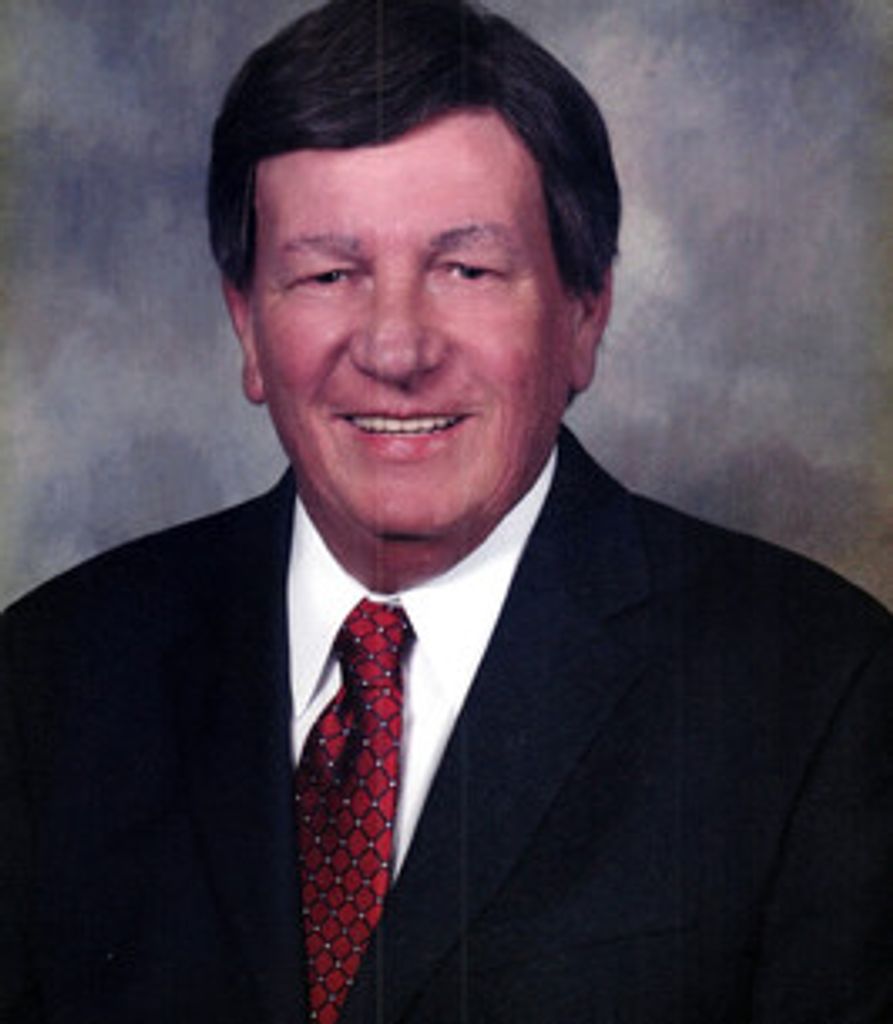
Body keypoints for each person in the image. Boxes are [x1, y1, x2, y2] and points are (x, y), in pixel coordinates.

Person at [1, 0, 891, 1021]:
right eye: (328, 274)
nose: (395, 348)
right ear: (246, 325)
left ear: (583, 314)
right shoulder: (48, 679)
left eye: (465, 270)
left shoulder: (816, 693)